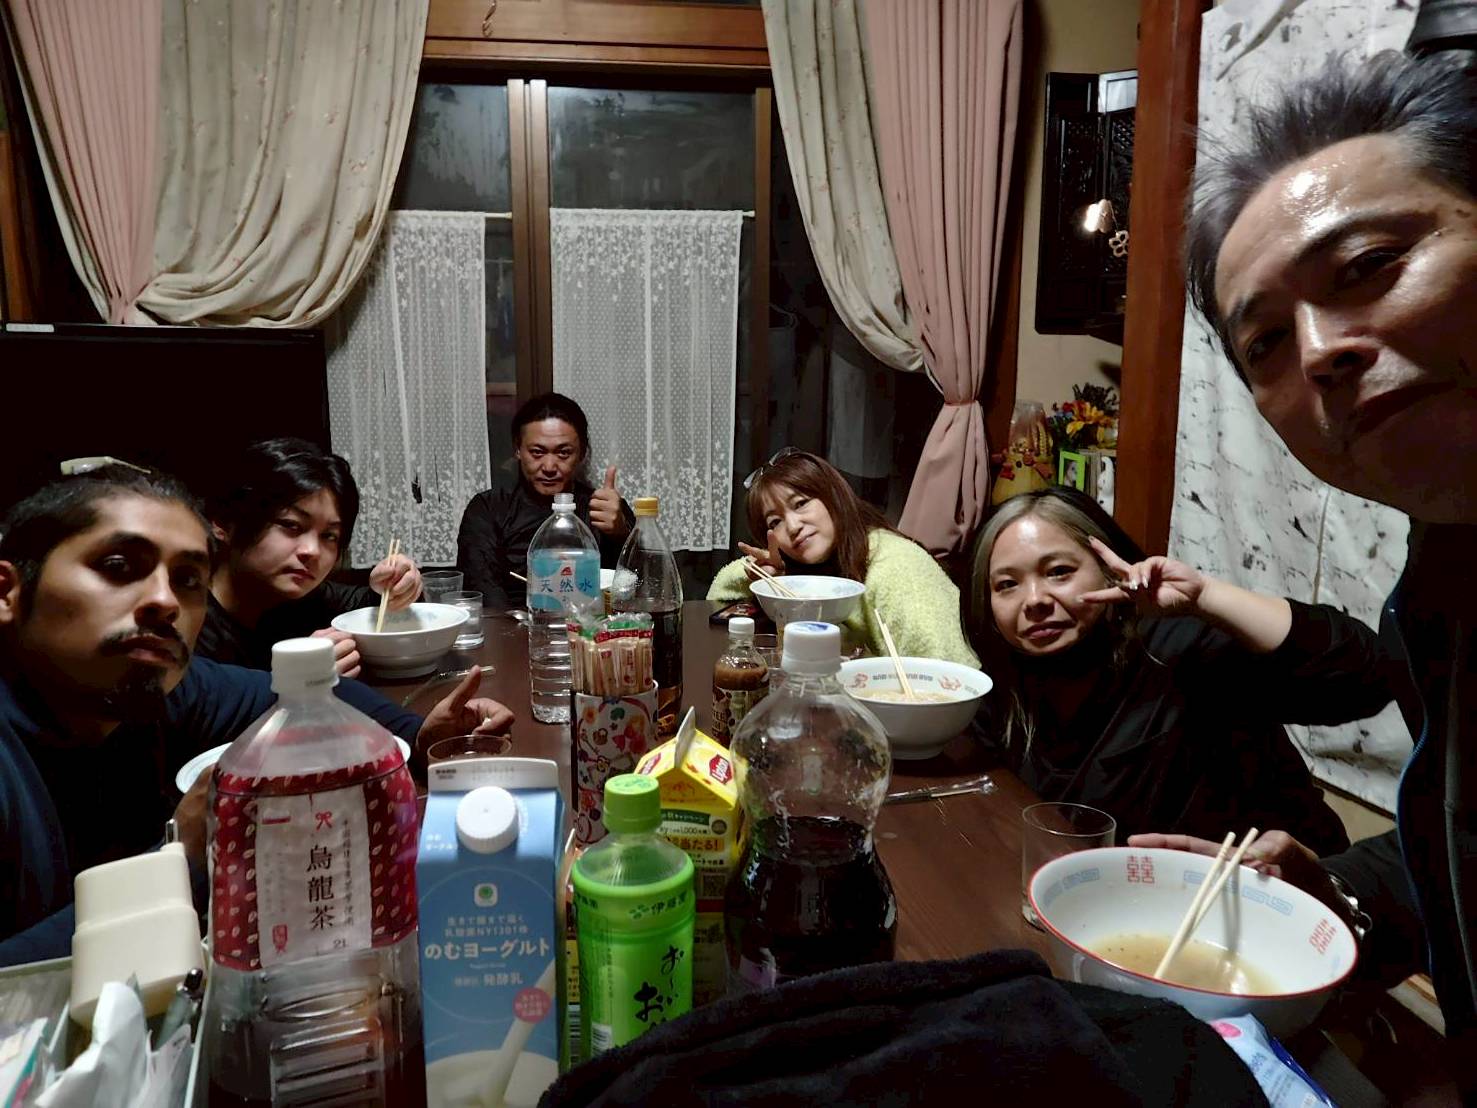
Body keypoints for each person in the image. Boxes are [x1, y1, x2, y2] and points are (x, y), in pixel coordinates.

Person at [1133, 49, 1477, 1089]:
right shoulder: (1442, 586)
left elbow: (1338, 667)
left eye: (1368, 265)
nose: (1322, 350)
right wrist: (1336, 900)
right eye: (1266, 342)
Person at [0, 466, 514, 965]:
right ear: (8, 591)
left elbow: (297, 697)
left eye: (187, 579)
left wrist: (419, 735)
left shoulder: (167, 689)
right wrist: (177, 858)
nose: (164, 600)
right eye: (118, 567)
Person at [965, 487, 1381, 849]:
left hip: (1271, 889)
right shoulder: (1006, 684)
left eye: (1059, 572)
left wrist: (1206, 597)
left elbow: (1363, 676)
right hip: (1117, 893)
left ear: (1110, 571)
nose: (1034, 600)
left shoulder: (1180, 651)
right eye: (1007, 584)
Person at [708, 449, 978, 667]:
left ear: (833, 497)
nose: (792, 526)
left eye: (801, 503)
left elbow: (946, 667)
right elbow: (719, 597)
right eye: (775, 521)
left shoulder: (895, 565)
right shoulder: (797, 567)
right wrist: (776, 580)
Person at [197, 438, 422, 677]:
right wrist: (291, 684)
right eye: (291, 525)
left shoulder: (302, 600)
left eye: (329, 536)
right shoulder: (187, 622)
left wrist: (394, 585)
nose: (312, 550)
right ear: (224, 523)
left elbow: (372, 607)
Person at [458, 393, 633, 610]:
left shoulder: (604, 508)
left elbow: (638, 586)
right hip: (512, 624)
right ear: (517, 449)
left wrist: (621, 534)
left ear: (582, 453)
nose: (549, 467)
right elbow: (482, 590)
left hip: (591, 624)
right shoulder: (489, 508)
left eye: (563, 453)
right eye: (537, 452)